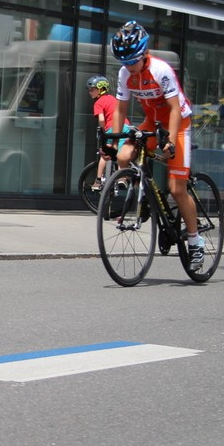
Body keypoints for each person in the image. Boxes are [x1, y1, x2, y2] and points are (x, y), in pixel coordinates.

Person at [108, 20, 205, 270]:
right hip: (152, 121)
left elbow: (174, 109)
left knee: (176, 189)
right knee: (124, 155)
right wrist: (115, 139)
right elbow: (120, 109)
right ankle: (143, 201)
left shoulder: (161, 70)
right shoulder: (125, 74)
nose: (128, 67)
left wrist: (170, 141)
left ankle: (195, 242)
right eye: (124, 63)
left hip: (178, 123)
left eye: (132, 62)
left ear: (144, 54)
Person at [86, 75, 130, 190]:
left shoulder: (98, 103)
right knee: (120, 153)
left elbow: (101, 119)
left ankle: (98, 181)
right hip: (125, 127)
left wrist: (103, 132)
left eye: (92, 89)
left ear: (101, 89)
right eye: (89, 90)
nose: (90, 92)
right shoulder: (112, 98)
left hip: (112, 128)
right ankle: (122, 178)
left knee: (105, 155)